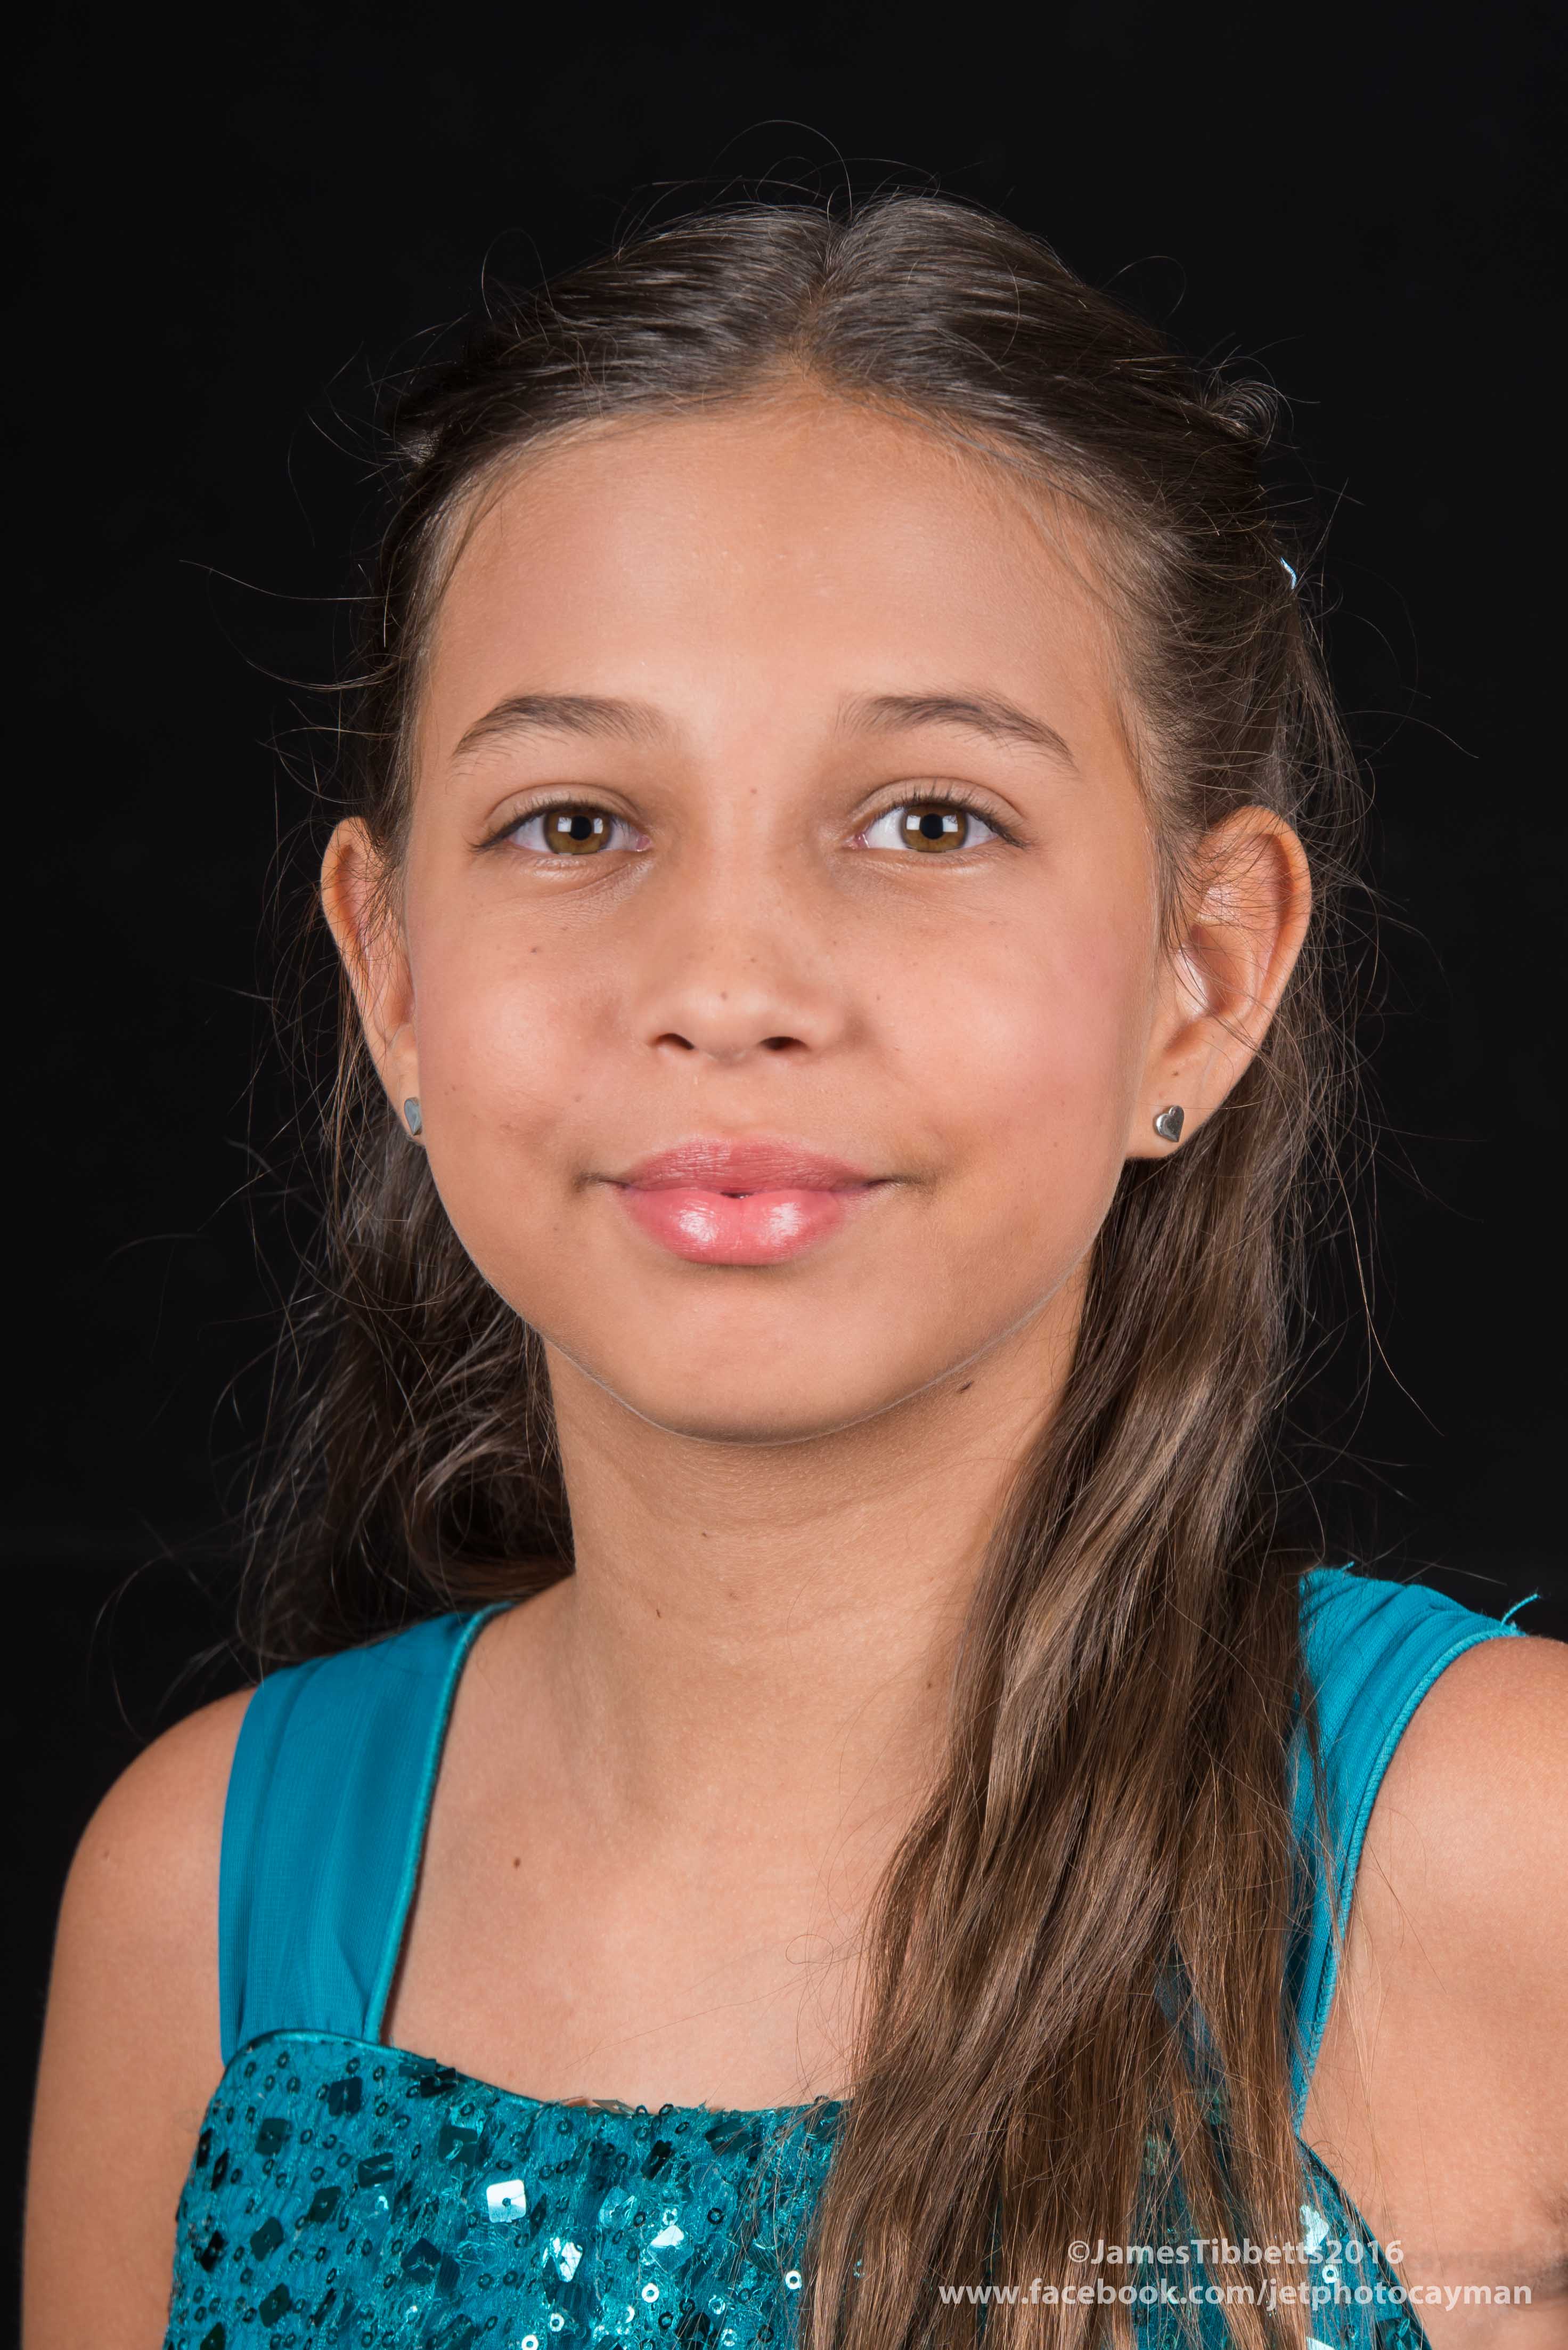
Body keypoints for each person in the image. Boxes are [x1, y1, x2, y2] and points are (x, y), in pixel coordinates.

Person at [21, 192, 1567, 2350]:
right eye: (575, 822)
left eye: (929, 820)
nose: (728, 985)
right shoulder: (200, 1903)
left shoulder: (1511, 1858)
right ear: (392, 973)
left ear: (1203, 975)